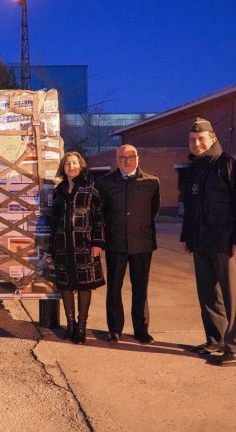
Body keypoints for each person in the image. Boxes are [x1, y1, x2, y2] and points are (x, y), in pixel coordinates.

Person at [181, 117, 236, 366]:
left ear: (213, 138)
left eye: (201, 139)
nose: (197, 143)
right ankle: (215, 339)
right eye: (193, 140)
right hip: (201, 243)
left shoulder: (230, 163)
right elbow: (191, 208)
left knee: (231, 297)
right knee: (207, 294)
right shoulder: (194, 169)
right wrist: (187, 237)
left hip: (226, 244)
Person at [97, 145, 160, 344]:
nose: (127, 161)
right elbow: (101, 213)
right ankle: (115, 329)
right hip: (115, 243)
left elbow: (154, 210)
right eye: (122, 158)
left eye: (131, 157)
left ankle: (141, 329)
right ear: (117, 161)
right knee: (114, 288)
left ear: (137, 159)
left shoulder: (151, 181)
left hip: (142, 243)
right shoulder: (105, 183)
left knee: (140, 288)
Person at [49, 152, 105, 344]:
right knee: (66, 283)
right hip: (63, 246)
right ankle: (70, 324)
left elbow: (99, 217)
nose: (70, 166)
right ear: (63, 168)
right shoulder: (59, 190)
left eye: (74, 163)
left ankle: (82, 327)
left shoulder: (91, 189)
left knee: (84, 284)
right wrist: (51, 246)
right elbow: (54, 220)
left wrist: (97, 242)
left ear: (81, 165)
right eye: (67, 163)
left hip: (84, 245)